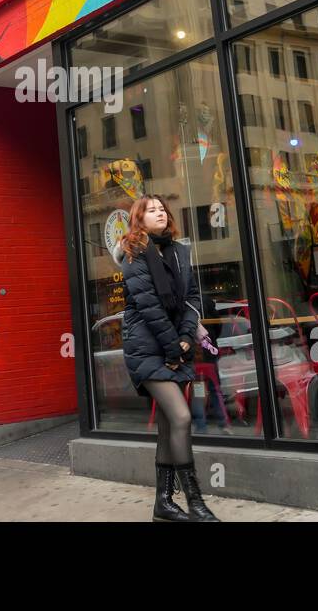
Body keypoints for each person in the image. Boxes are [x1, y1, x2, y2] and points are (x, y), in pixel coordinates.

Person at [121, 194, 219, 522]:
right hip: (147, 349)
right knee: (181, 417)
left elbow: (191, 299)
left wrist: (185, 335)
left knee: (167, 426)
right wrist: (174, 346)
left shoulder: (179, 252)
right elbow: (149, 307)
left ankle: (163, 503)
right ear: (139, 219)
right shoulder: (133, 254)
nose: (159, 212)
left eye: (162, 208)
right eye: (151, 210)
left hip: (175, 345)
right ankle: (195, 502)